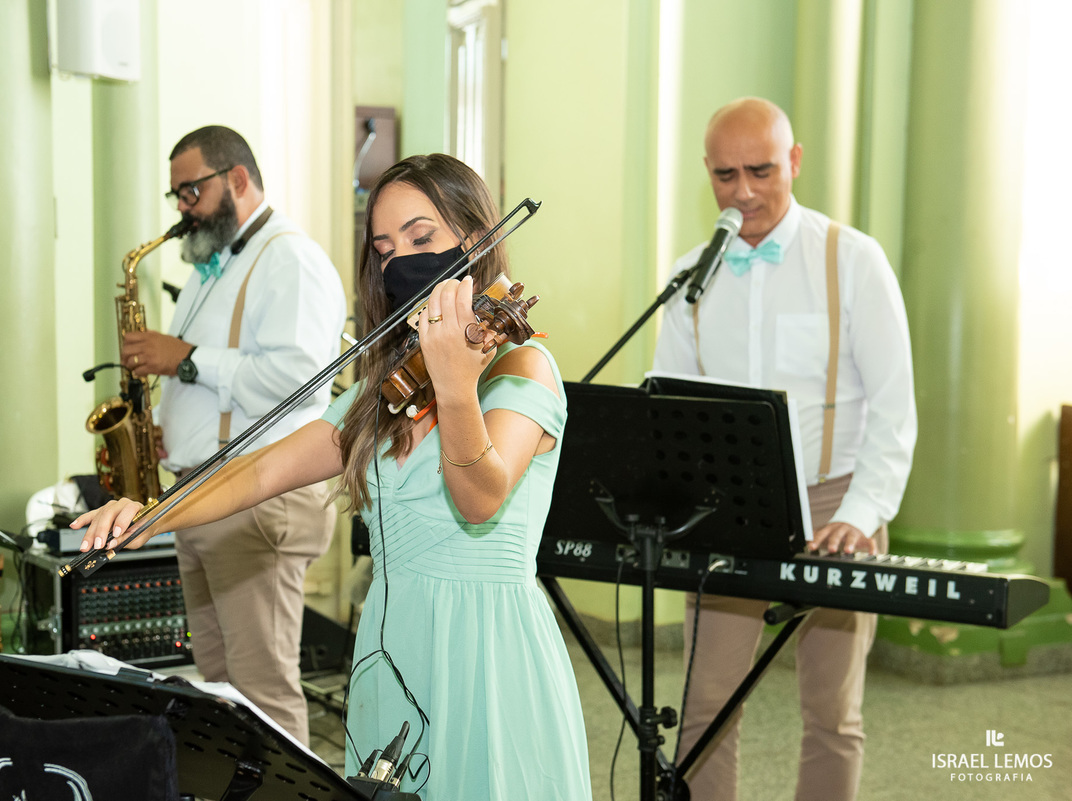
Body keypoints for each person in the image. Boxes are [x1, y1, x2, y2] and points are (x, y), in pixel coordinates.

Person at [76, 153, 593, 800]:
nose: (400, 259)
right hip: (392, 637)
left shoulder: (523, 367)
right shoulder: (391, 386)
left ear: (474, 236)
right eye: (383, 248)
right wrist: (150, 512)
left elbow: (480, 497)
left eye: (422, 238)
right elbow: (262, 469)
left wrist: (458, 385)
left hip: (484, 645)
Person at [652, 98, 916, 801]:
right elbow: (672, 410)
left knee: (832, 712)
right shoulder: (690, 280)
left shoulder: (854, 260)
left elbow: (894, 409)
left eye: (761, 171)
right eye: (724, 175)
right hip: (729, 511)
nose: (742, 192)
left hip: (837, 500)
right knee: (706, 709)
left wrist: (860, 514)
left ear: (794, 162)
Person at [118, 125, 346, 745]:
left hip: (257, 501)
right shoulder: (209, 268)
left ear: (237, 180)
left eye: (190, 190)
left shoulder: (290, 259)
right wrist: (166, 430)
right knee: (220, 685)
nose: (182, 210)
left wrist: (184, 357)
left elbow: (301, 381)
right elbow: (212, 371)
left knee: (263, 689)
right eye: (176, 196)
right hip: (201, 496)